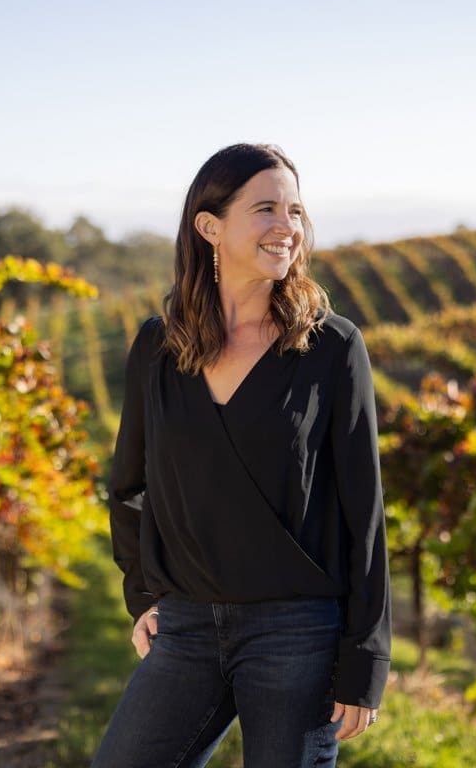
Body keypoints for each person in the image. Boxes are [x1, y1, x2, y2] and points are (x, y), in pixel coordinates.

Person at [92, 143, 391, 767]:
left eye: (295, 211)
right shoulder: (158, 347)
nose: (288, 227)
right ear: (210, 226)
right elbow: (129, 484)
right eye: (265, 209)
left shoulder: (332, 348)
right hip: (187, 630)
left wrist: (364, 656)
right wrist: (143, 592)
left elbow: (364, 514)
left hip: (299, 634)